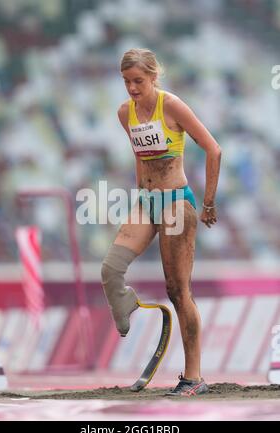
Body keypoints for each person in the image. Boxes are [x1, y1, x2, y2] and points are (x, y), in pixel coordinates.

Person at [101, 48, 221, 396]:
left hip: (176, 203)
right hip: (147, 203)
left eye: (138, 81)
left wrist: (209, 203)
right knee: (111, 269)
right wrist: (141, 195)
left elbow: (213, 149)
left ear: (154, 76)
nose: (132, 89)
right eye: (126, 82)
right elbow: (140, 157)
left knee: (177, 291)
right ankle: (126, 308)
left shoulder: (172, 105)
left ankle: (194, 377)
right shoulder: (125, 113)